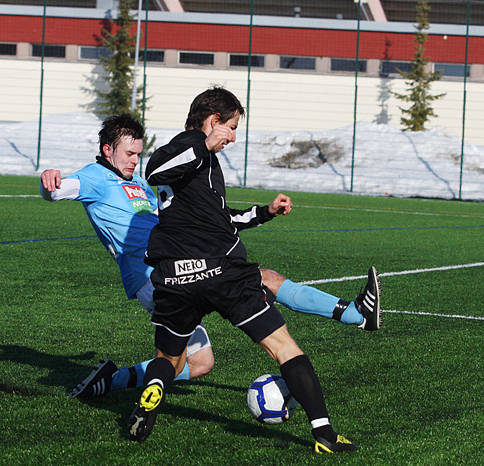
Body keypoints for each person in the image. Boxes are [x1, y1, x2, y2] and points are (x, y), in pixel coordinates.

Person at [40, 114, 381, 403]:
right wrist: (50, 182)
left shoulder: (142, 184)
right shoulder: (94, 178)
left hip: (180, 261)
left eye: (137, 155)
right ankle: (355, 314)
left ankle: (112, 380)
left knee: (201, 363)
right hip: (151, 276)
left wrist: (263, 213)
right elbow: (57, 190)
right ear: (106, 150)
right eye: (128, 154)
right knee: (258, 282)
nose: (133, 161)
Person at [128, 87, 381, 453]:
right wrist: (205, 143)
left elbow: (220, 219)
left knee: (168, 359)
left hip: (175, 277)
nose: (232, 137)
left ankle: (153, 392)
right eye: (231, 127)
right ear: (213, 120)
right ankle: (325, 435)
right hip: (221, 272)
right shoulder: (191, 147)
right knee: (284, 348)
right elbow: (154, 170)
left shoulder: (198, 164)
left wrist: (264, 212)